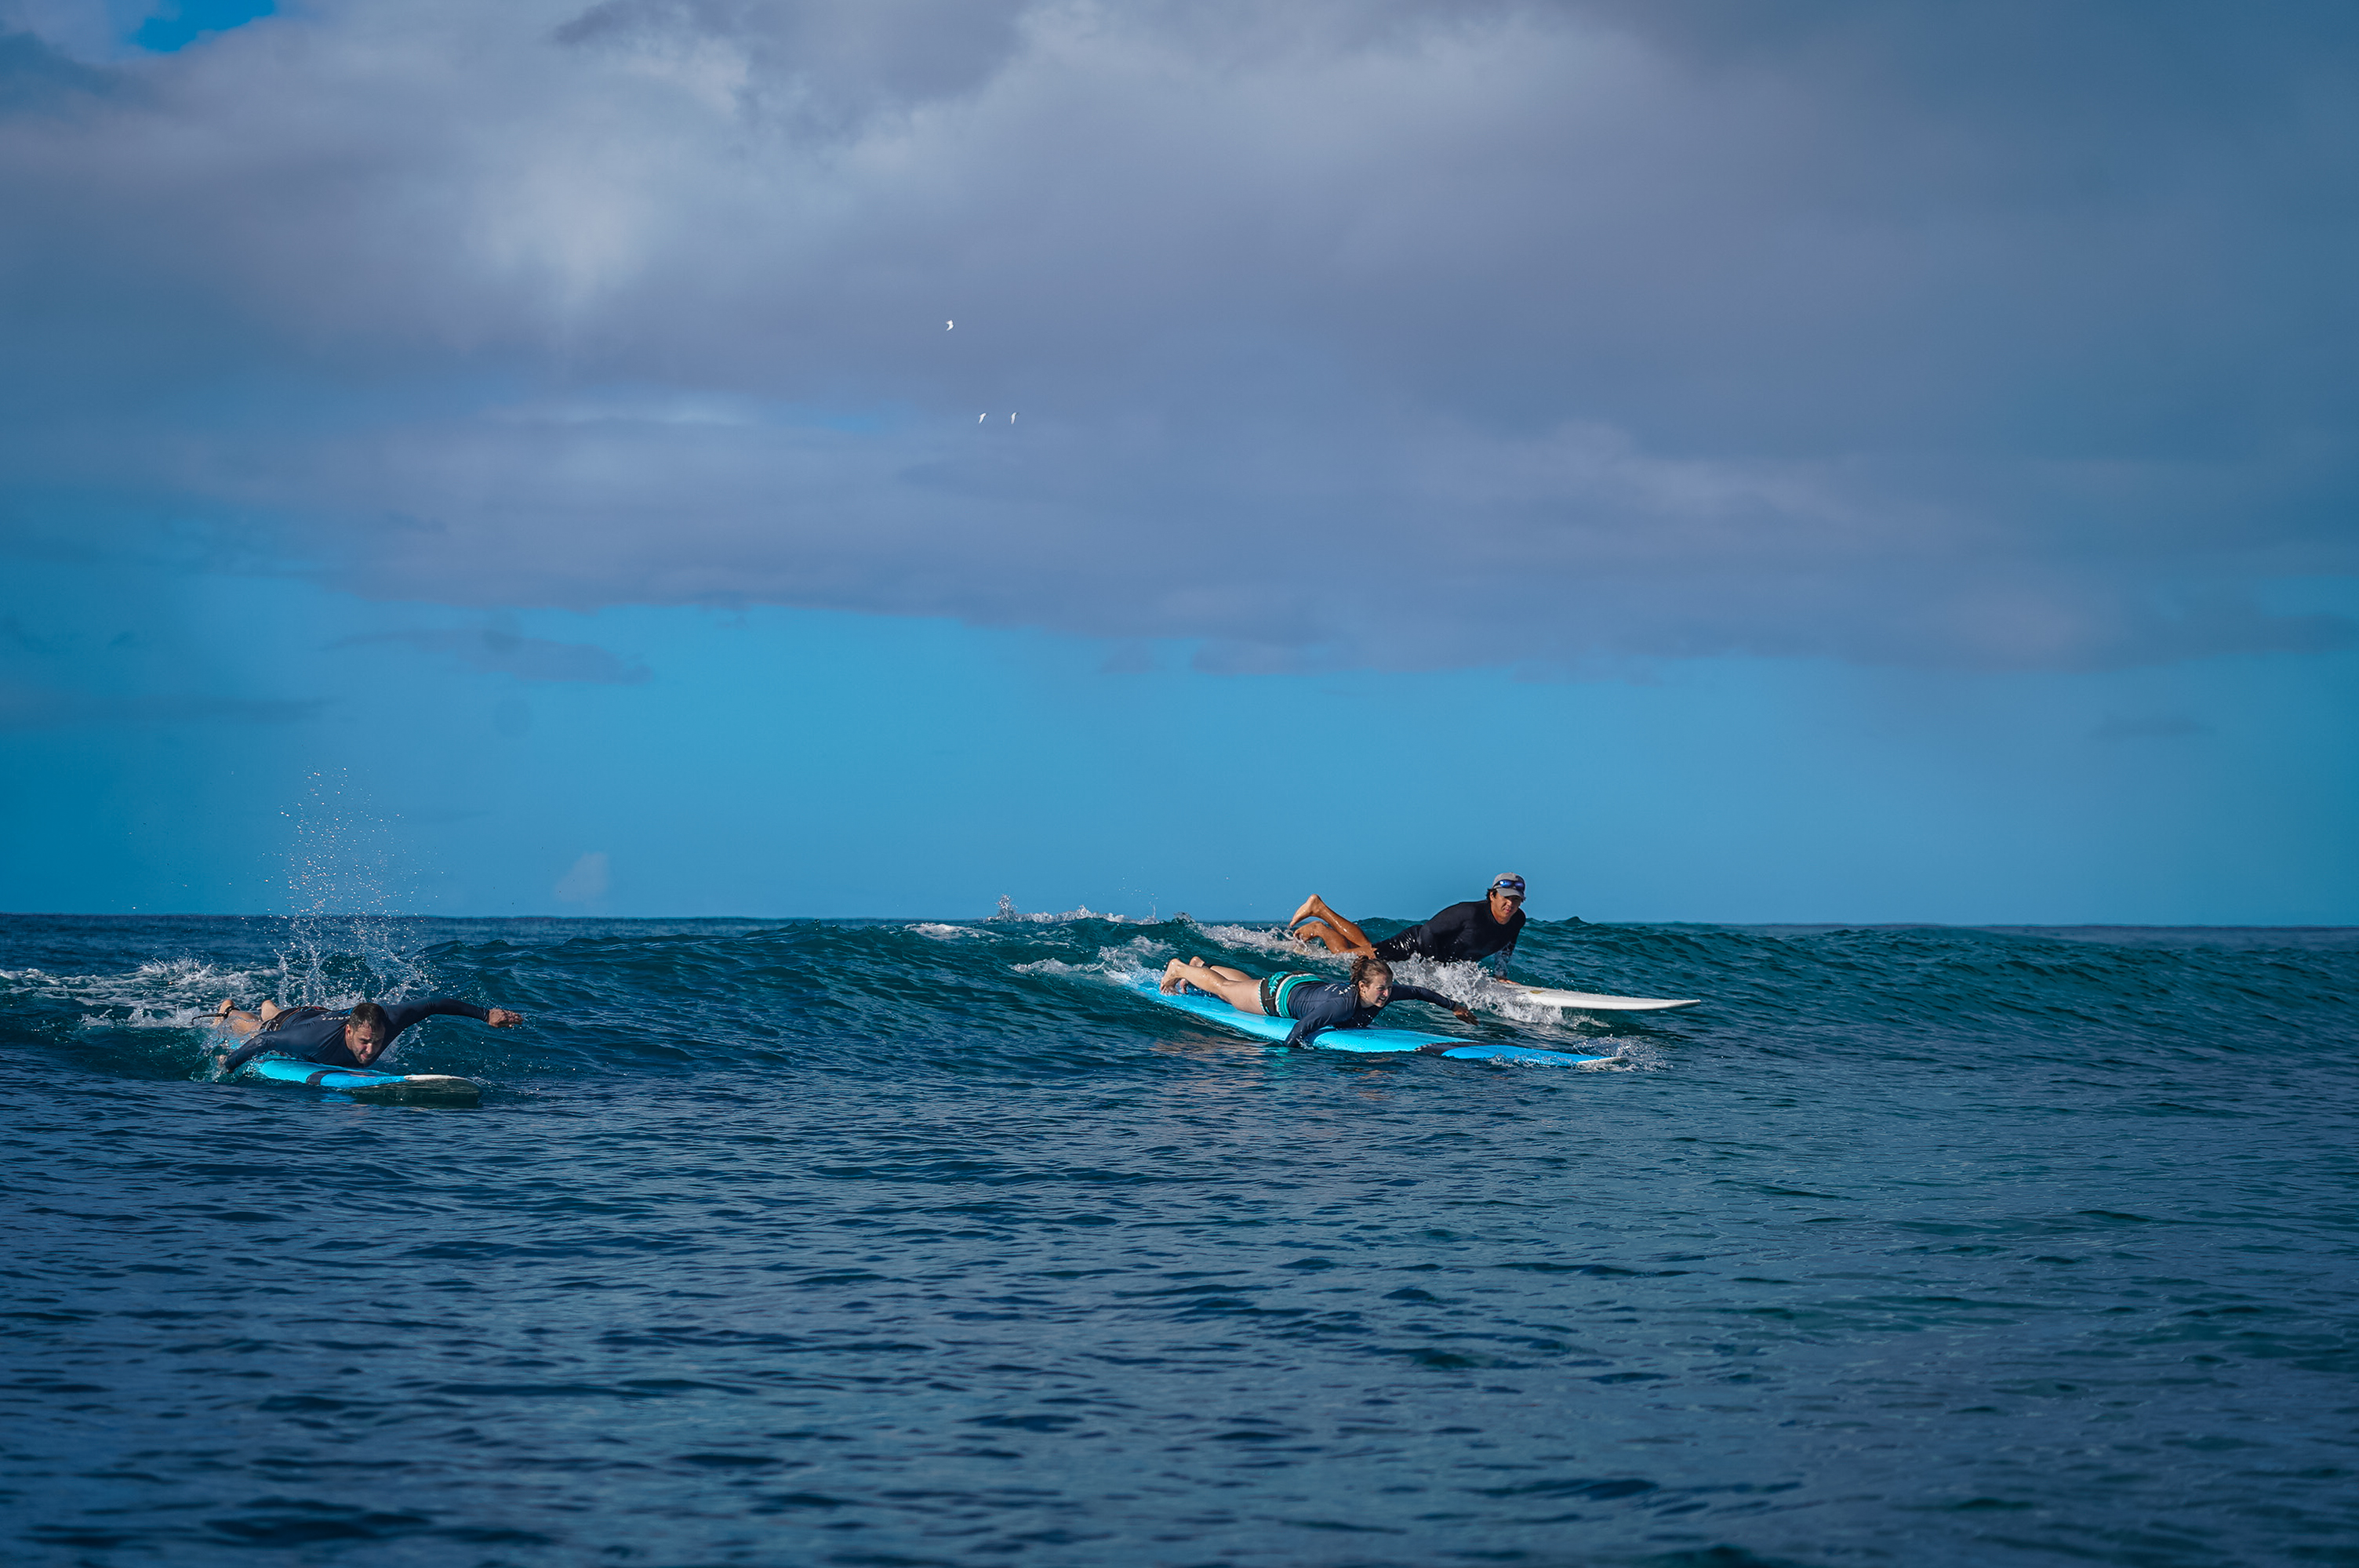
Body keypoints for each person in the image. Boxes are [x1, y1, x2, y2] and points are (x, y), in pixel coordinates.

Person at [1158, 953, 1476, 1048]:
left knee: (1241, 984)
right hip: (1279, 995)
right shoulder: (1341, 1006)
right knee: (1227, 990)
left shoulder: (1382, 994)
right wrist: (1284, 1061)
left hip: (1306, 983)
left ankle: (1201, 967)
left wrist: (1455, 1007)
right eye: (1381, 988)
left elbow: (1419, 992)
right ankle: (1180, 968)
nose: (1387, 993)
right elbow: (1301, 1028)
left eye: (1389, 988)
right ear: (1362, 986)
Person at [1287, 873, 1529, 975]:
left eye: (1516, 900)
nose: (1510, 904)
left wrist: (1500, 975)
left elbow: (1508, 942)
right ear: (1492, 895)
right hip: (1413, 945)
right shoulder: (1470, 913)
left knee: (1365, 948)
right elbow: (1429, 931)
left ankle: (1319, 909)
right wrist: (1436, 967)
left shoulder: (1517, 919)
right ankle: (1320, 925)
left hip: (1428, 953)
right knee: (1348, 957)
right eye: (1506, 898)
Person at [213, 995, 522, 1074]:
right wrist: (228, 1064)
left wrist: (486, 1015)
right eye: (364, 1042)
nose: (371, 1050)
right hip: (294, 1024)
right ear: (349, 1031)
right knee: (257, 1026)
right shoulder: (312, 1040)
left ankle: (269, 1006)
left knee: (273, 1013)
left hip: (318, 1012)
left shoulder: (392, 1019)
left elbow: (433, 1004)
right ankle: (230, 1010)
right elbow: (264, 1042)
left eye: (376, 1041)